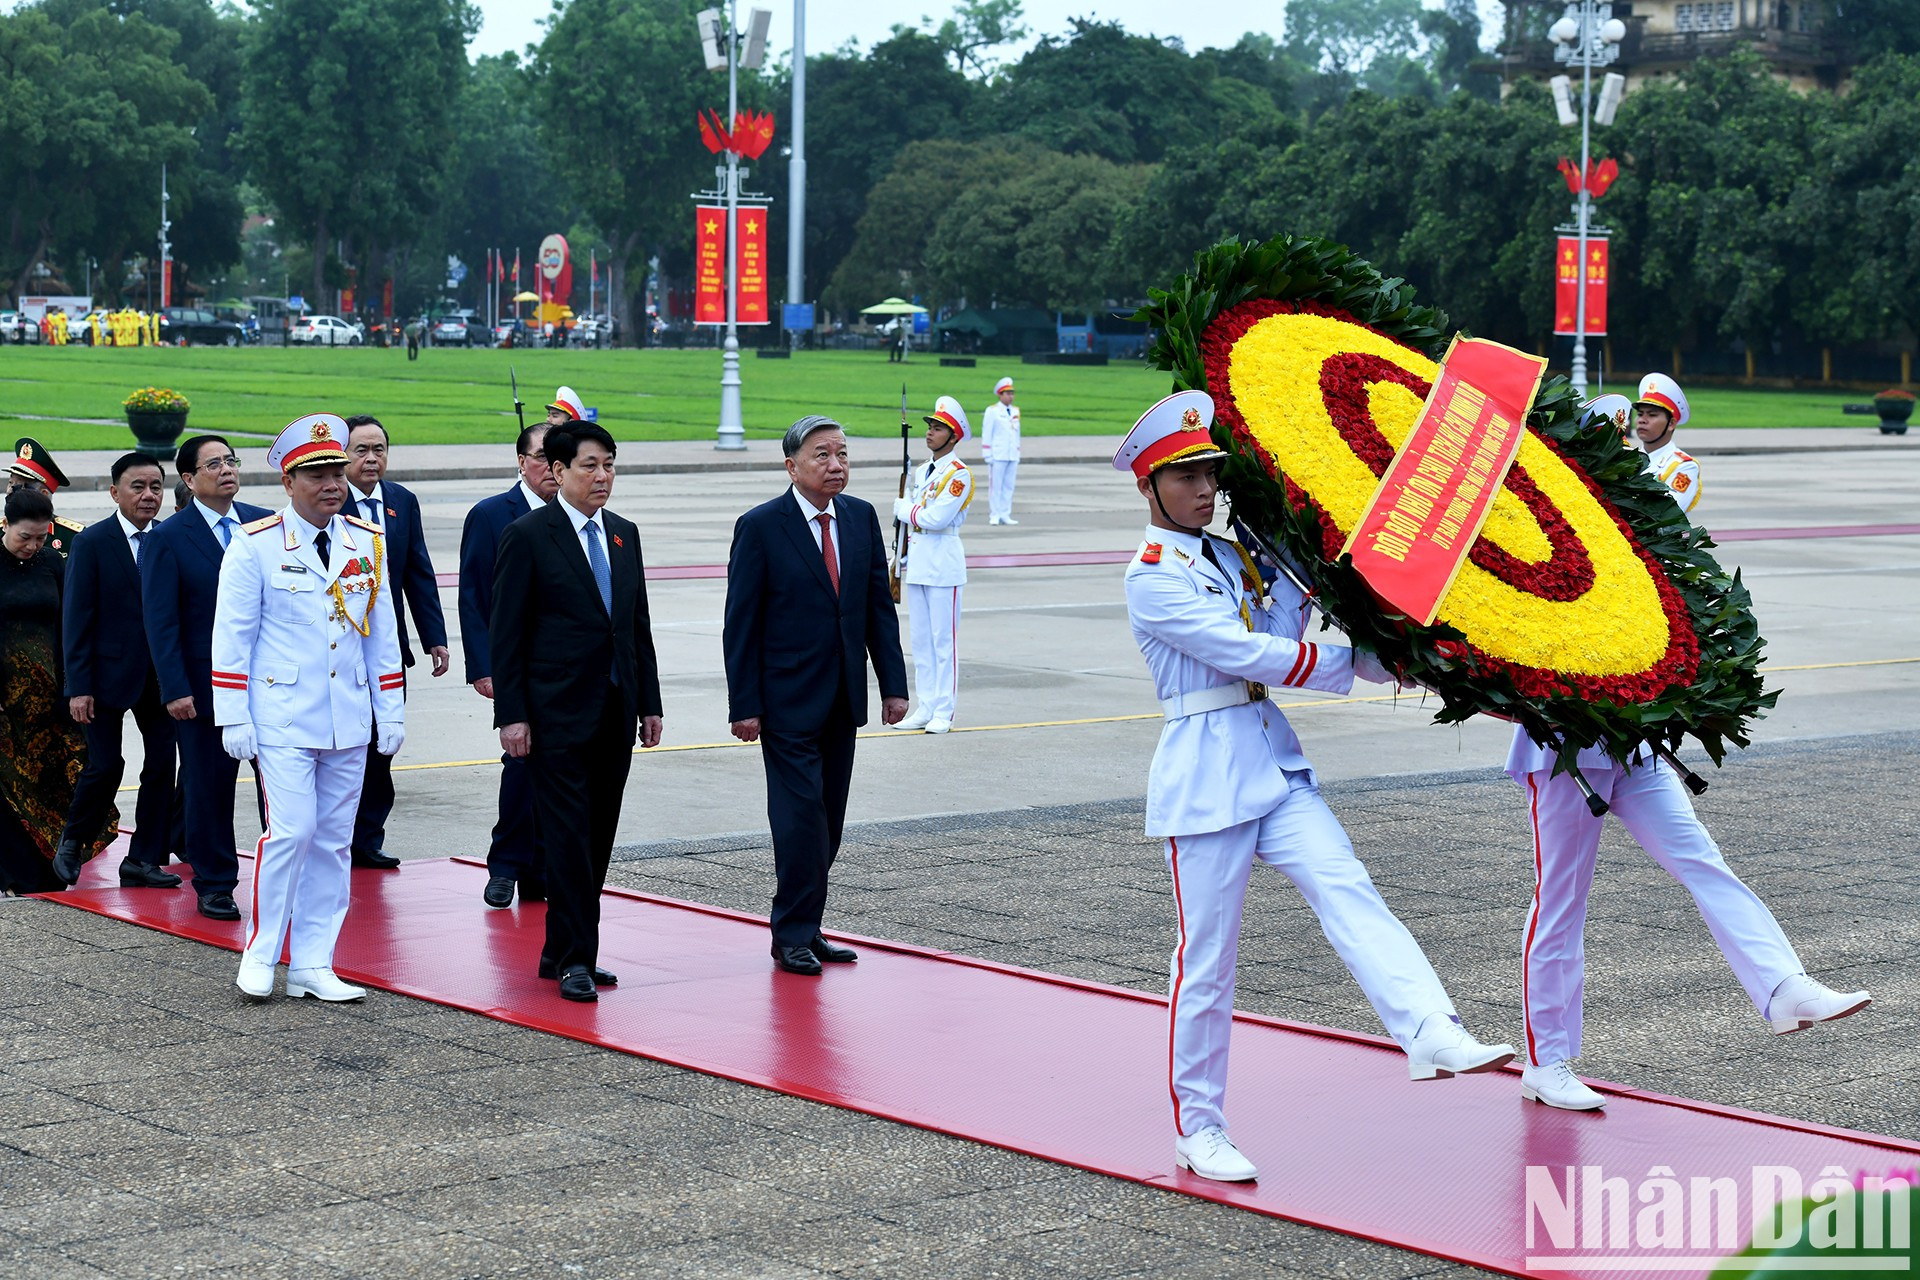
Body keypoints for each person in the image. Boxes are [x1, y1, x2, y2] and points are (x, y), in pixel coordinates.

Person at [1116, 391, 1514, 1184]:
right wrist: (1352, 671)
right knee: (1207, 961)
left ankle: (1430, 1028)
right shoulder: (1151, 576)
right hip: (1206, 778)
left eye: (1210, 475)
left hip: (1272, 763)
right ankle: (1199, 1127)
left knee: (1349, 887)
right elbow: (1250, 655)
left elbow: (1289, 628)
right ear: (1150, 488)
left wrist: (1404, 656)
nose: (1203, 489)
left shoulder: (1236, 557)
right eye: (1185, 475)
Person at [1506, 729, 1871, 1110]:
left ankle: (1784, 987)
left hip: (1636, 746)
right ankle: (1544, 1061)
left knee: (1705, 864)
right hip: (1567, 753)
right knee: (1560, 901)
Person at [214, 414, 405, 1003]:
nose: (333, 484)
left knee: (332, 841)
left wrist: (390, 709)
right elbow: (233, 635)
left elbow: (380, 635)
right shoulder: (255, 545)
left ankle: (313, 963)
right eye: (317, 474)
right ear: (289, 482)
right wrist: (233, 713)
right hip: (282, 716)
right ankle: (263, 949)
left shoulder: (366, 542)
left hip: (346, 716)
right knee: (291, 831)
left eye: (336, 472)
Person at [724, 416, 910, 975]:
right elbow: (742, 623)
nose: (836, 466)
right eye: (822, 456)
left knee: (828, 819)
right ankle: (792, 934)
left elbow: (877, 607)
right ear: (791, 466)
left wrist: (893, 686)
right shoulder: (760, 527)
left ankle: (809, 925)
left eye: (842, 455)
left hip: (842, 699)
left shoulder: (859, 517)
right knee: (800, 818)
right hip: (784, 703)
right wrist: (745, 705)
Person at [491, 421, 663, 1003]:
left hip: (614, 711)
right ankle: (574, 958)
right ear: (557, 472)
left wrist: (649, 703)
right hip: (554, 716)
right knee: (566, 838)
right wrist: (512, 716)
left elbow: (635, 626)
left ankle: (561, 949)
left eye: (609, 465)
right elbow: (507, 635)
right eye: (589, 466)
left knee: (597, 836)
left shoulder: (624, 534)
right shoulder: (528, 535)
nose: (602, 477)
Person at [143, 435, 273, 921]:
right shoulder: (169, 538)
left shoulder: (266, 523)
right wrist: (174, 687)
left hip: (270, 682)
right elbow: (161, 621)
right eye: (213, 464)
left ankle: (286, 872)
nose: (226, 470)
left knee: (279, 783)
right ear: (189, 480)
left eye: (231, 460)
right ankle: (216, 882)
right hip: (201, 689)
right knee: (209, 788)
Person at [52, 454, 182, 889]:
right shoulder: (92, 542)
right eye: (137, 487)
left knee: (163, 764)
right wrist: (78, 687)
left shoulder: (167, 539)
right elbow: (76, 619)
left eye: (155, 487)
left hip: (160, 677)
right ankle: (74, 839)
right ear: (114, 492)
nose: (148, 496)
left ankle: (144, 857)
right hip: (105, 677)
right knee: (106, 765)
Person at [459, 420, 560, 908]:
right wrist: (482, 665)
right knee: (520, 763)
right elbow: (474, 595)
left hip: (564, 667)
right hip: (513, 664)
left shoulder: (577, 513)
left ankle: (541, 869)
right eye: (540, 456)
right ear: (522, 462)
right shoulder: (492, 514)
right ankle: (506, 866)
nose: (550, 467)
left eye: (557, 456)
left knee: (555, 769)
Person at [342, 414, 449, 869]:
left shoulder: (401, 501)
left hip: (388, 652)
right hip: (339, 650)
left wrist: (434, 638)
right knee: (343, 747)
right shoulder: (324, 497)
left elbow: (419, 573)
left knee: (382, 747)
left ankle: (367, 838)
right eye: (361, 450)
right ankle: (335, 838)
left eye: (378, 450)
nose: (371, 459)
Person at [0, 488, 116, 894]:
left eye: (39, 537)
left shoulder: (54, 563)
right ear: (5, 525)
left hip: (50, 695)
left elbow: (73, 626)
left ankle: (51, 862)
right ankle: (14, 871)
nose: (32, 546)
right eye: (24, 538)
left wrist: (76, 685)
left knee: (54, 779)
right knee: (9, 786)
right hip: (4, 699)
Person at [892, 397, 974, 735]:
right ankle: (925, 706)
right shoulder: (924, 470)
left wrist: (904, 510)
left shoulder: (958, 475)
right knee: (921, 640)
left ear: (953, 437)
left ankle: (945, 710)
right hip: (920, 561)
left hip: (943, 563)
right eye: (929, 427)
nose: (930, 433)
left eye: (937, 429)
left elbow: (937, 519)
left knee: (944, 641)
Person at [1630, 373, 1700, 515]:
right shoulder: (1629, 459)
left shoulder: (1683, 466)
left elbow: (1665, 515)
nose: (1642, 420)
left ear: (1671, 423)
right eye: (1640, 413)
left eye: (1652, 415)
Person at [8, 438, 86, 560]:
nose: (10, 491)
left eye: (21, 486)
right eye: (10, 482)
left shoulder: (73, 537)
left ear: (43, 494)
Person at [980, 376, 1022, 526]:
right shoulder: (992, 411)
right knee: (995, 486)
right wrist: (987, 453)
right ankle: (995, 514)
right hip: (997, 454)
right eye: (1008, 393)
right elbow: (987, 432)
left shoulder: (1016, 411)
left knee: (1009, 486)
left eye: (1012, 393)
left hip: (1012, 454)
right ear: (1000, 394)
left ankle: (1005, 514)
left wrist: (1018, 451)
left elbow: (1017, 433)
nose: (1011, 396)